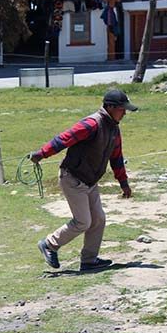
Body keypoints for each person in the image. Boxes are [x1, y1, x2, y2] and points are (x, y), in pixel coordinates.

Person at [30, 88, 136, 272]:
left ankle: (89, 260)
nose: (125, 112)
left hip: (90, 181)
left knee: (98, 219)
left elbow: (116, 158)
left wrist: (124, 183)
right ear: (110, 107)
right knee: (83, 222)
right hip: (73, 178)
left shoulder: (114, 129)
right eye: (122, 109)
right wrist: (42, 153)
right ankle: (49, 244)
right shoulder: (91, 124)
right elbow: (64, 139)